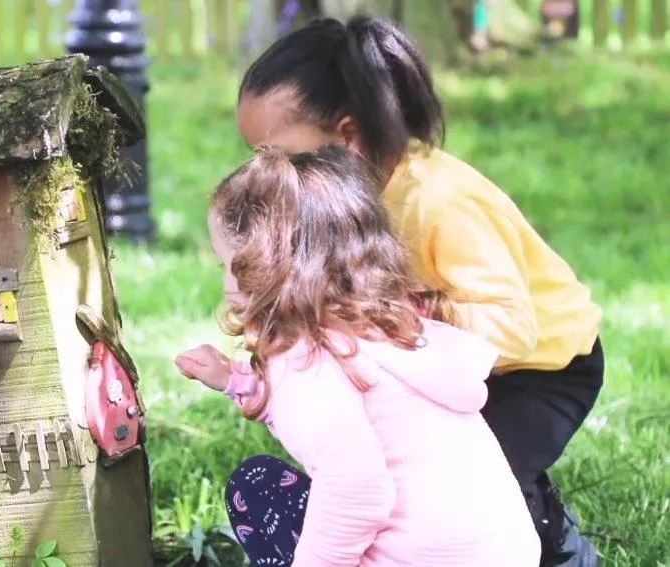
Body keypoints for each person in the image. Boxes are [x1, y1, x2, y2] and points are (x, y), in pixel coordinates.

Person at [231, 15, 604, 567]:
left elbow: (514, 327)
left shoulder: (439, 202)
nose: (267, 174)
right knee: (417, 476)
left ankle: (560, 548)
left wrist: (420, 313)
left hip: (542, 368)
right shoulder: (349, 200)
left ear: (349, 135)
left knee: (484, 478)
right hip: (449, 367)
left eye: (278, 156)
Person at [175, 146, 539, 566]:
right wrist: (242, 384)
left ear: (268, 266)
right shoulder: (385, 328)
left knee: (257, 488)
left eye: (229, 265)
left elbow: (357, 491)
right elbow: (339, 416)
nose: (226, 284)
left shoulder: (302, 357)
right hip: (505, 554)